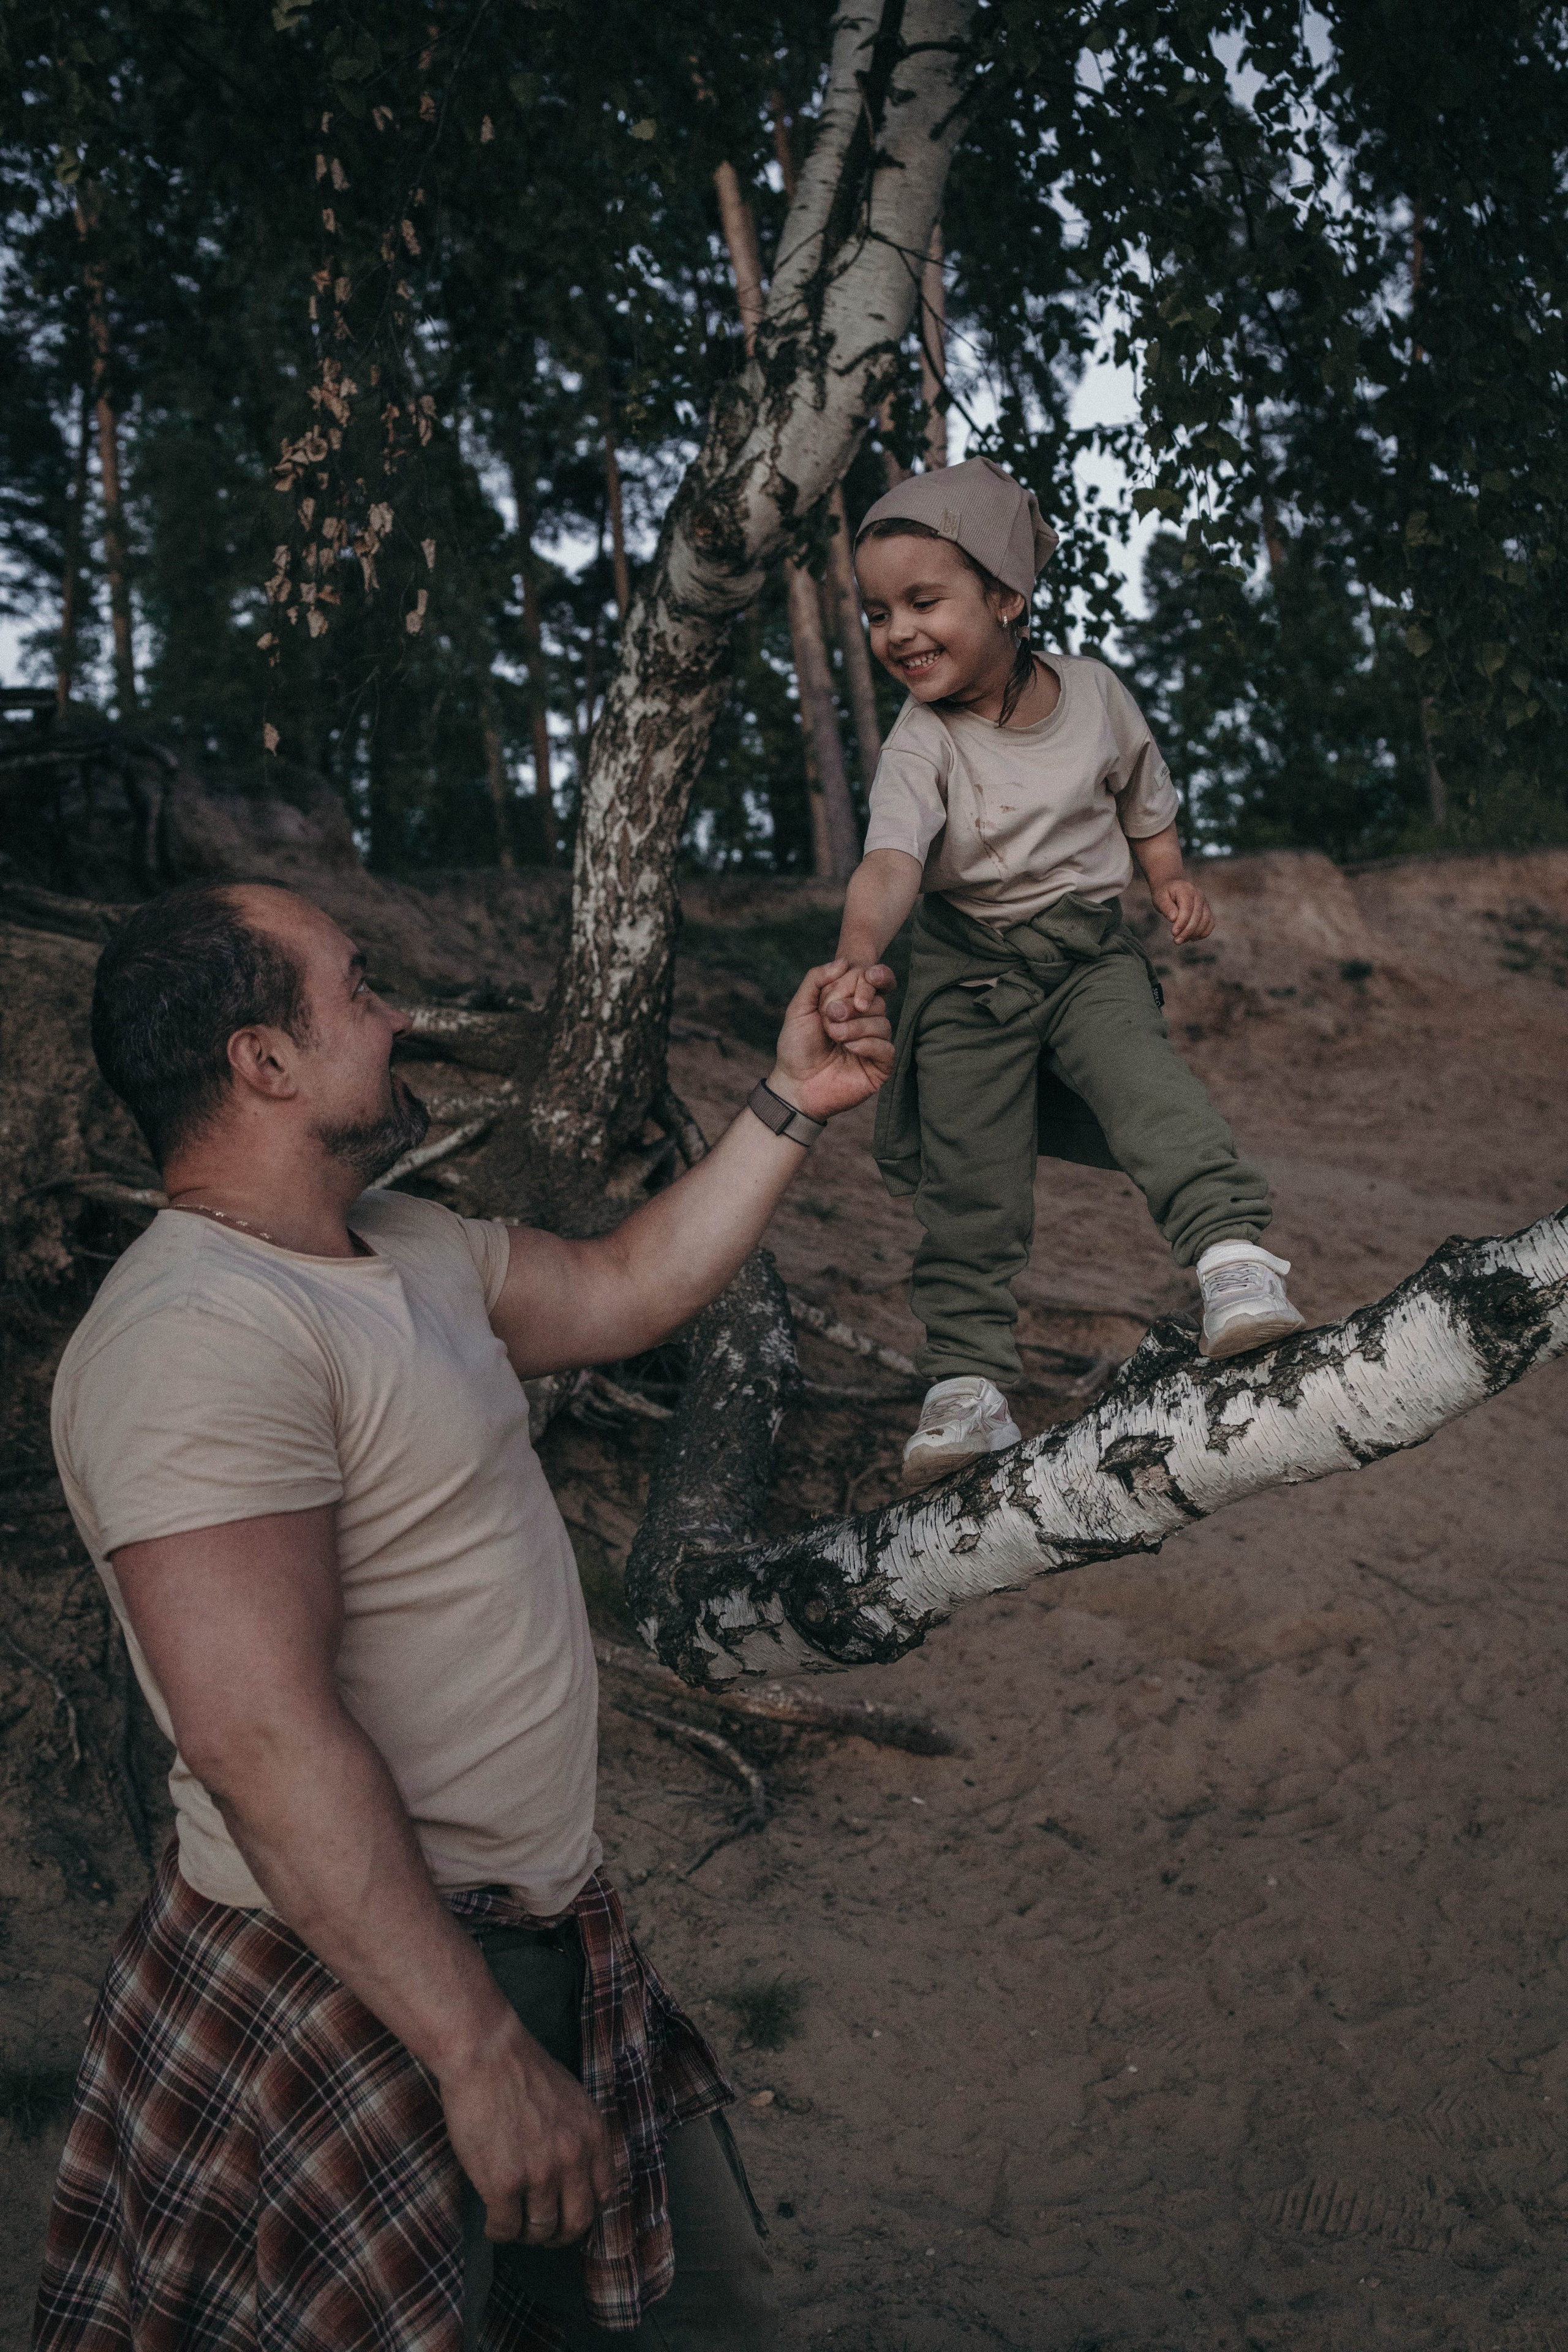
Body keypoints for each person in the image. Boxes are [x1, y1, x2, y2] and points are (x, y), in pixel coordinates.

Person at [34, 880, 893, 2352]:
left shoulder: (405, 1246)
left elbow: (624, 1286)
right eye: (358, 987)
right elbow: (259, 1738)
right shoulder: (195, 1339)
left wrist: (790, 1103)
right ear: (265, 1061)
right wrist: (477, 2051)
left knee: (684, 2319)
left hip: (534, 1933)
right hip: (363, 1969)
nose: (399, 1016)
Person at [822, 456, 1304, 1493]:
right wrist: (858, 954)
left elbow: (1142, 794)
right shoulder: (920, 742)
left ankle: (1232, 1262)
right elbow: (892, 860)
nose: (897, 632)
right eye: (878, 612)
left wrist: (1168, 877)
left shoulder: (1093, 692)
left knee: (1148, 1089)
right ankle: (967, 1384)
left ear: (1006, 597)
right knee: (970, 1179)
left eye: (923, 602)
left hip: (1088, 959)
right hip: (968, 980)